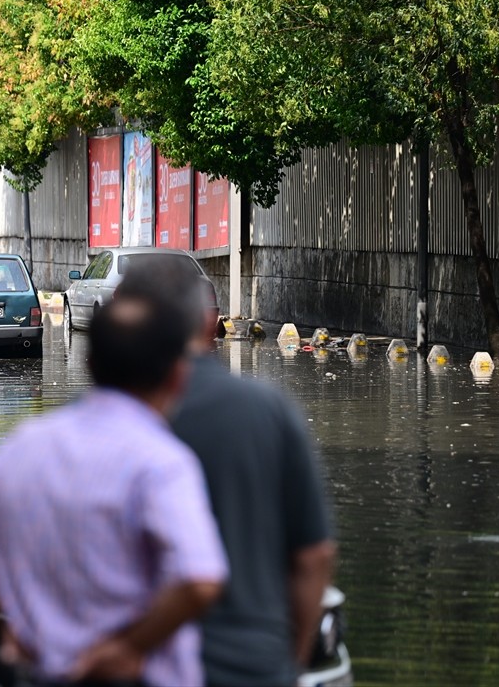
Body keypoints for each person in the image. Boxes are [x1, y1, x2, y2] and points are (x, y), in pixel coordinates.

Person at [0, 290, 229, 687]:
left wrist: (19, 610)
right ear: (178, 375)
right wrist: (128, 646)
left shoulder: (27, 444)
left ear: (90, 363)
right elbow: (200, 580)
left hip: (44, 672)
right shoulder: (161, 462)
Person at [119, 258, 337, 687]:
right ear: (210, 323)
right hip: (252, 667)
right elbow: (315, 557)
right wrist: (286, 662)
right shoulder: (268, 412)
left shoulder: (90, 427)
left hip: (134, 666)